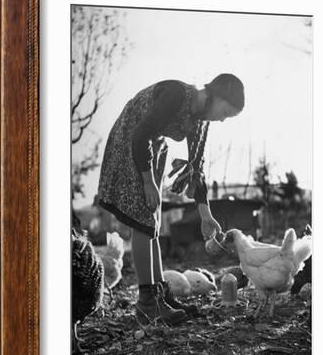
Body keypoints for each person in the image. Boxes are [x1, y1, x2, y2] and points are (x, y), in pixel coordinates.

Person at [97, 73, 245, 325]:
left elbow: (196, 168)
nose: (222, 119)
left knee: (152, 221)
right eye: (225, 111)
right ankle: (147, 302)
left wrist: (205, 214)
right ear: (216, 95)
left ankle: (160, 294)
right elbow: (140, 134)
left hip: (152, 149)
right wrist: (147, 181)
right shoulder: (177, 95)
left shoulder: (200, 121)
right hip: (131, 140)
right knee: (143, 220)